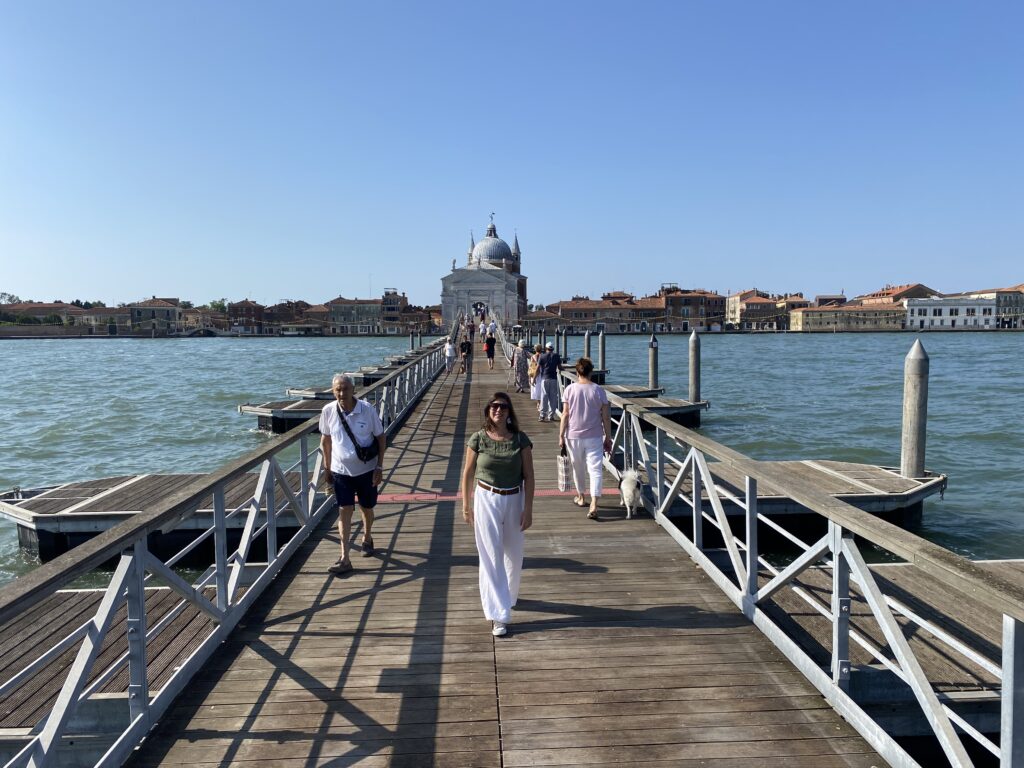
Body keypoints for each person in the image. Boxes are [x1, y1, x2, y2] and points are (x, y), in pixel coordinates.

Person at [460, 391, 535, 637]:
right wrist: (466, 504)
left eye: (503, 406)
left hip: (514, 497)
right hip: (486, 497)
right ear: (488, 410)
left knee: (514, 554)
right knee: (491, 554)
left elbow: (529, 476)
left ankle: (508, 597)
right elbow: (468, 473)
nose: (498, 410)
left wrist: (529, 508)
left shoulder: (520, 439)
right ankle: (498, 614)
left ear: (509, 411)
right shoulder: (478, 439)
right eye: (493, 406)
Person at [319, 373, 387, 574]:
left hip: (366, 470)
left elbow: (381, 438)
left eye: (345, 389)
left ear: (353, 389)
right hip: (341, 472)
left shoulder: (367, 410)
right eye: (338, 390)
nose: (341, 393)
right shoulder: (328, 411)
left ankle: (367, 537)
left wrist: (380, 467)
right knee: (344, 510)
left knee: (366, 508)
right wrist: (327, 469)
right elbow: (326, 441)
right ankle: (344, 557)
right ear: (333, 391)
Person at [558, 357, 613, 520]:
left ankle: (581, 497)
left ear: (577, 372)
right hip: (594, 435)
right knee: (595, 470)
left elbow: (565, 415)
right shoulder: (598, 390)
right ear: (591, 372)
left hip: (573, 436)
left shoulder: (569, 389)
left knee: (578, 467)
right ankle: (594, 503)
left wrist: (560, 435)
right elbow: (606, 417)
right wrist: (608, 437)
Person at [537, 341, 562, 422]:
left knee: (544, 397)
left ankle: (542, 415)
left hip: (544, 378)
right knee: (553, 397)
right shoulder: (556, 356)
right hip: (553, 378)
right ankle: (551, 415)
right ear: (552, 348)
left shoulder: (542, 356)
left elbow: (537, 368)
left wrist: (534, 378)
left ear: (546, 348)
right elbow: (559, 367)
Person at [529, 343, 544, 413]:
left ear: (535, 349)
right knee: (541, 389)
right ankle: (540, 403)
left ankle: (538, 403)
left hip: (535, 374)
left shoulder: (533, 357)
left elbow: (531, 367)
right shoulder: (543, 356)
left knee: (536, 389)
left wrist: (531, 377)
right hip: (542, 374)